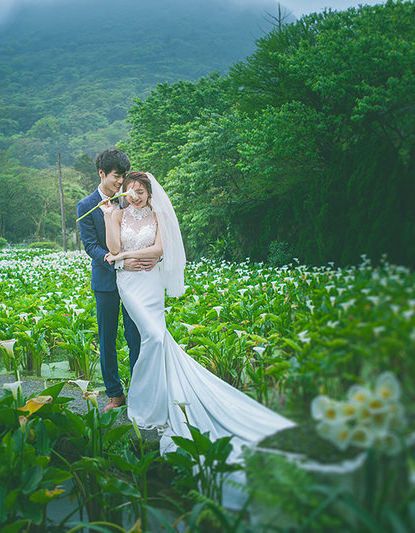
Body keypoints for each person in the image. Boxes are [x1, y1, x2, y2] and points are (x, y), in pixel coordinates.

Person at [100, 171, 295, 505]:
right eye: (130, 191)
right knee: (155, 338)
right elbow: (112, 246)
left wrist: (124, 258)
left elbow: (160, 250)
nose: (135, 195)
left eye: (141, 191)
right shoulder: (115, 213)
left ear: (149, 194)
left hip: (150, 282)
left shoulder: (158, 214)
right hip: (129, 284)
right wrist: (109, 224)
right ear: (125, 193)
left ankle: (150, 401)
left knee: (157, 338)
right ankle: (144, 404)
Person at [76, 149, 159, 412]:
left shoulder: (129, 200)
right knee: (107, 338)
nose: (120, 183)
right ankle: (114, 393)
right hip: (106, 282)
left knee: (135, 336)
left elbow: (152, 232)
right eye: (116, 177)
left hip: (136, 281)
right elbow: (91, 247)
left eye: (123, 177)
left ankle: (138, 390)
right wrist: (119, 260)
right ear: (101, 173)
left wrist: (155, 258)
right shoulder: (85, 206)